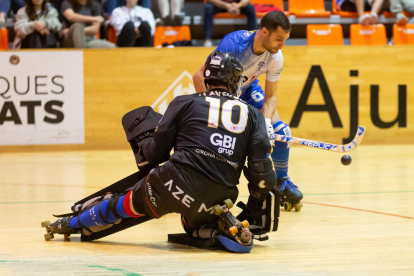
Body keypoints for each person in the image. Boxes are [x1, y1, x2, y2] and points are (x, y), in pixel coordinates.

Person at [43, 52, 279, 251]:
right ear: (235, 81)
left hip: (169, 184)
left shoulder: (184, 102)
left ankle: (71, 223)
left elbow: (156, 155)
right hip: (218, 196)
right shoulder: (254, 115)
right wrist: (254, 208)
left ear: (207, 79)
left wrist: (152, 134)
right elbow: (263, 175)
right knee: (196, 218)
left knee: (123, 205)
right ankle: (208, 226)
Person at [193, 11, 303, 212]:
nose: (282, 45)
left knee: (282, 133)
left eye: (285, 40)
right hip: (223, 96)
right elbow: (199, 76)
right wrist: (210, 110)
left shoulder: (275, 57)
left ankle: (282, 182)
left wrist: (266, 124)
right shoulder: (233, 45)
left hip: (249, 92)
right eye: (279, 39)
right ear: (264, 31)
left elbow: (270, 98)